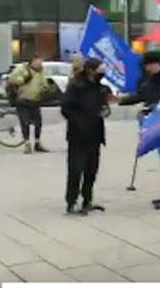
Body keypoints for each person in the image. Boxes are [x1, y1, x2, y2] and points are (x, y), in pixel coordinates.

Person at [118, 51, 160, 209]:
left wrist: (154, 106)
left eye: (149, 65)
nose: (147, 68)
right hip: (154, 121)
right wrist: (122, 100)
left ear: (158, 64)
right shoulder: (149, 78)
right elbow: (142, 95)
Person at [61, 58, 112, 215]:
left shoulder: (101, 89)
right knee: (76, 170)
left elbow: (104, 107)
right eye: (99, 70)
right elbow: (66, 109)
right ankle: (72, 202)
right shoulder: (76, 87)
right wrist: (79, 122)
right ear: (90, 70)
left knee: (92, 170)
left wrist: (105, 110)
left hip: (95, 134)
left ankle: (87, 200)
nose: (102, 73)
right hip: (78, 135)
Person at [9, 55, 53, 154]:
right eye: (38, 62)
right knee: (25, 123)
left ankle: (37, 143)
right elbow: (12, 78)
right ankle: (27, 144)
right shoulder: (23, 69)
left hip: (35, 100)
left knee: (38, 123)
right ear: (32, 61)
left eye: (41, 62)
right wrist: (23, 79)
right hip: (23, 100)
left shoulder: (41, 71)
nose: (39, 64)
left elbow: (43, 82)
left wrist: (45, 88)